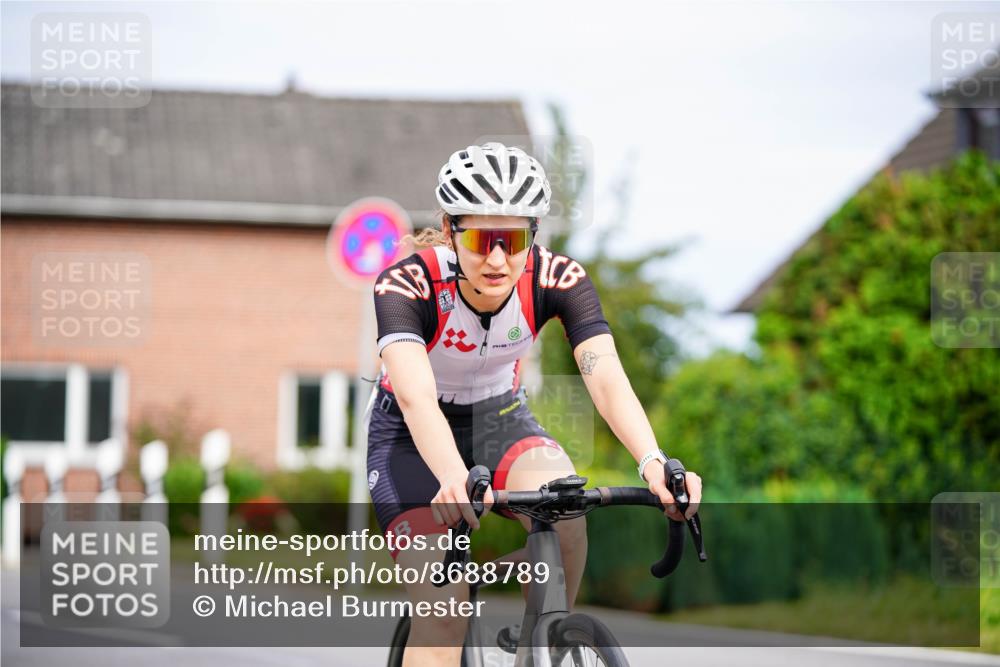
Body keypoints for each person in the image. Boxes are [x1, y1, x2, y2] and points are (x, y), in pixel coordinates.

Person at [367, 141, 702, 666]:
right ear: (451, 229)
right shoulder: (408, 284)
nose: (498, 259)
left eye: (514, 238)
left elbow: (606, 377)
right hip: (410, 438)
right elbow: (415, 397)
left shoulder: (557, 279)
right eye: (480, 239)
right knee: (443, 615)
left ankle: (542, 647)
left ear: (534, 234)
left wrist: (653, 461)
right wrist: (453, 475)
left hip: (498, 417)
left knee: (566, 520)